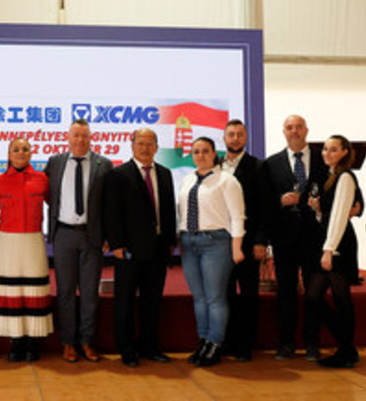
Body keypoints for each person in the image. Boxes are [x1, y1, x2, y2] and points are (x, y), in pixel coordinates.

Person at [104, 128, 177, 367]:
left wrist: (170, 241)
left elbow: (168, 210)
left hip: (158, 249)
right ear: (132, 146)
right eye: (141, 143)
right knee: (124, 301)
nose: (145, 148)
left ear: (156, 147)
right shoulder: (118, 175)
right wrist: (116, 244)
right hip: (129, 250)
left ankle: (150, 346)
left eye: (150, 144)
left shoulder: (165, 174)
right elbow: (111, 212)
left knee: (152, 300)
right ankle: (126, 349)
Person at [44, 119, 112, 363]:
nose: (80, 140)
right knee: (65, 291)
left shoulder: (104, 164)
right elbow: (48, 195)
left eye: (84, 135)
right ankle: (68, 342)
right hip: (64, 234)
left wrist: (108, 236)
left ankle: (87, 341)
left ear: (91, 138)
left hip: (91, 236)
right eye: (76, 135)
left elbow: (109, 203)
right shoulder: (55, 162)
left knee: (90, 292)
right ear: (68, 138)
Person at [263, 114, 329, 361]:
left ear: (306, 130)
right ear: (284, 132)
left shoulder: (324, 160)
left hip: (315, 239)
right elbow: (263, 201)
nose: (294, 131)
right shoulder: (272, 163)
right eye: (289, 127)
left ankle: (312, 343)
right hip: (284, 239)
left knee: (314, 293)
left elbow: (336, 193)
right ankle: (286, 343)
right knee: (285, 293)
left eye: (299, 127)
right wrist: (279, 201)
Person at [178, 137, 245, 367]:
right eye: (196, 151)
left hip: (216, 243)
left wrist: (236, 247)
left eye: (205, 151)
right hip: (189, 243)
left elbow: (237, 216)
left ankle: (215, 343)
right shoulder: (187, 180)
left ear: (214, 153)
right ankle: (203, 341)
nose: (200, 155)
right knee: (199, 297)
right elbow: (181, 213)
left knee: (215, 297)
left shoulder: (227, 180)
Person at [0, 138, 52, 362]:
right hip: (7, 242)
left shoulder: (43, 179)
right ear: (9, 154)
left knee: (33, 290)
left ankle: (33, 342)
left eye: (25, 149)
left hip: (34, 240)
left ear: (31, 153)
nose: (20, 153)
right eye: (15, 149)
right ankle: (15, 341)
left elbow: (56, 206)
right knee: (12, 292)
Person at [307, 135, 361, 368]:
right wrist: (318, 210)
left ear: (345, 152)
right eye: (325, 149)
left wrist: (329, 250)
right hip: (331, 242)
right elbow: (330, 215)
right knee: (313, 297)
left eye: (333, 149)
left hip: (339, 244)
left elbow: (340, 216)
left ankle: (346, 352)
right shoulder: (332, 176)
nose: (326, 153)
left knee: (341, 299)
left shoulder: (345, 177)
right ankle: (347, 347)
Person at [221, 120, 268, 362]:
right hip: (220, 243)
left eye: (240, 134)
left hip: (249, 242)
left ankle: (245, 345)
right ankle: (228, 341)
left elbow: (264, 207)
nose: (235, 138)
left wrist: (261, 241)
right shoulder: (215, 165)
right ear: (224, 138)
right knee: (224, 294)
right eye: (231, 134)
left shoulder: (258, 167)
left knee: (249, 294)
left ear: (246, 138)